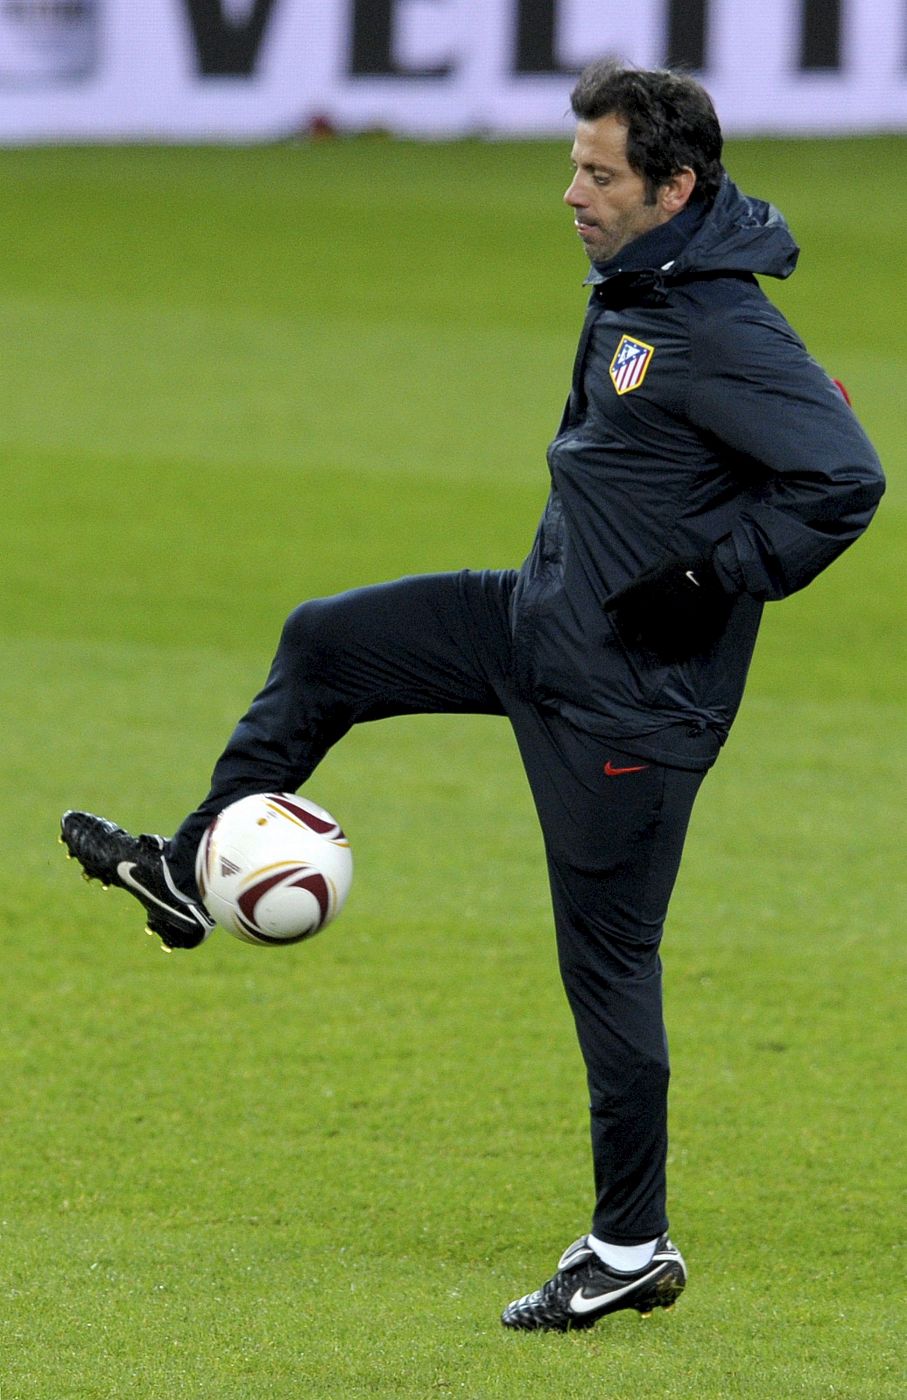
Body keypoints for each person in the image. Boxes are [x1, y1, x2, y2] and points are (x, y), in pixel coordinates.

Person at [60, 60, 885, 1332]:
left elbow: (843, 476)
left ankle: (628, 1243)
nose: (571, 191)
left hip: (629, 708)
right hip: (537, 624)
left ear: (673, 187)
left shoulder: (720, 323)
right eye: (573, 164)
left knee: (607, 970)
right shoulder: (645, 282)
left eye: (598, 173)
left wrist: (707, 580)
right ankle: (189, 866)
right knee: (325, 642)